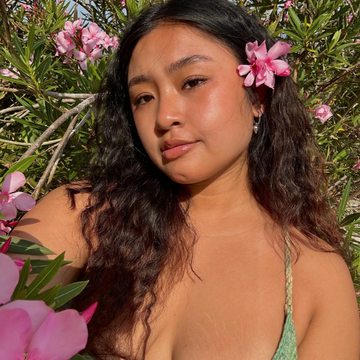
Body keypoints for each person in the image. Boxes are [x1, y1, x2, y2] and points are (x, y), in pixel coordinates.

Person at [11, 0, 360, 359]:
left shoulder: (316, 278)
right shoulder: (79, 216)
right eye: (143, 97)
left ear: (258, 95)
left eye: (192, 82)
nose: (164, 116)